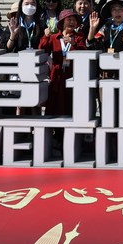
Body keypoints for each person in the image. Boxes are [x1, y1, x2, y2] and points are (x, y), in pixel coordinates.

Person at [41, 9, 87, 149]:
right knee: (54, 105)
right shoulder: (55, 37)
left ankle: (70, 137)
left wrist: (73, 43)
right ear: (61, 23)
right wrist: (46, 36)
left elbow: (84, 52)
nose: (71, 22)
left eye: (74, 20)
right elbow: (43, 49)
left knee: (69, 104)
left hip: (72, 75)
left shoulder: (79, 37)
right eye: (68, 20)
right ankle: (54, 136)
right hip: (57, 75)